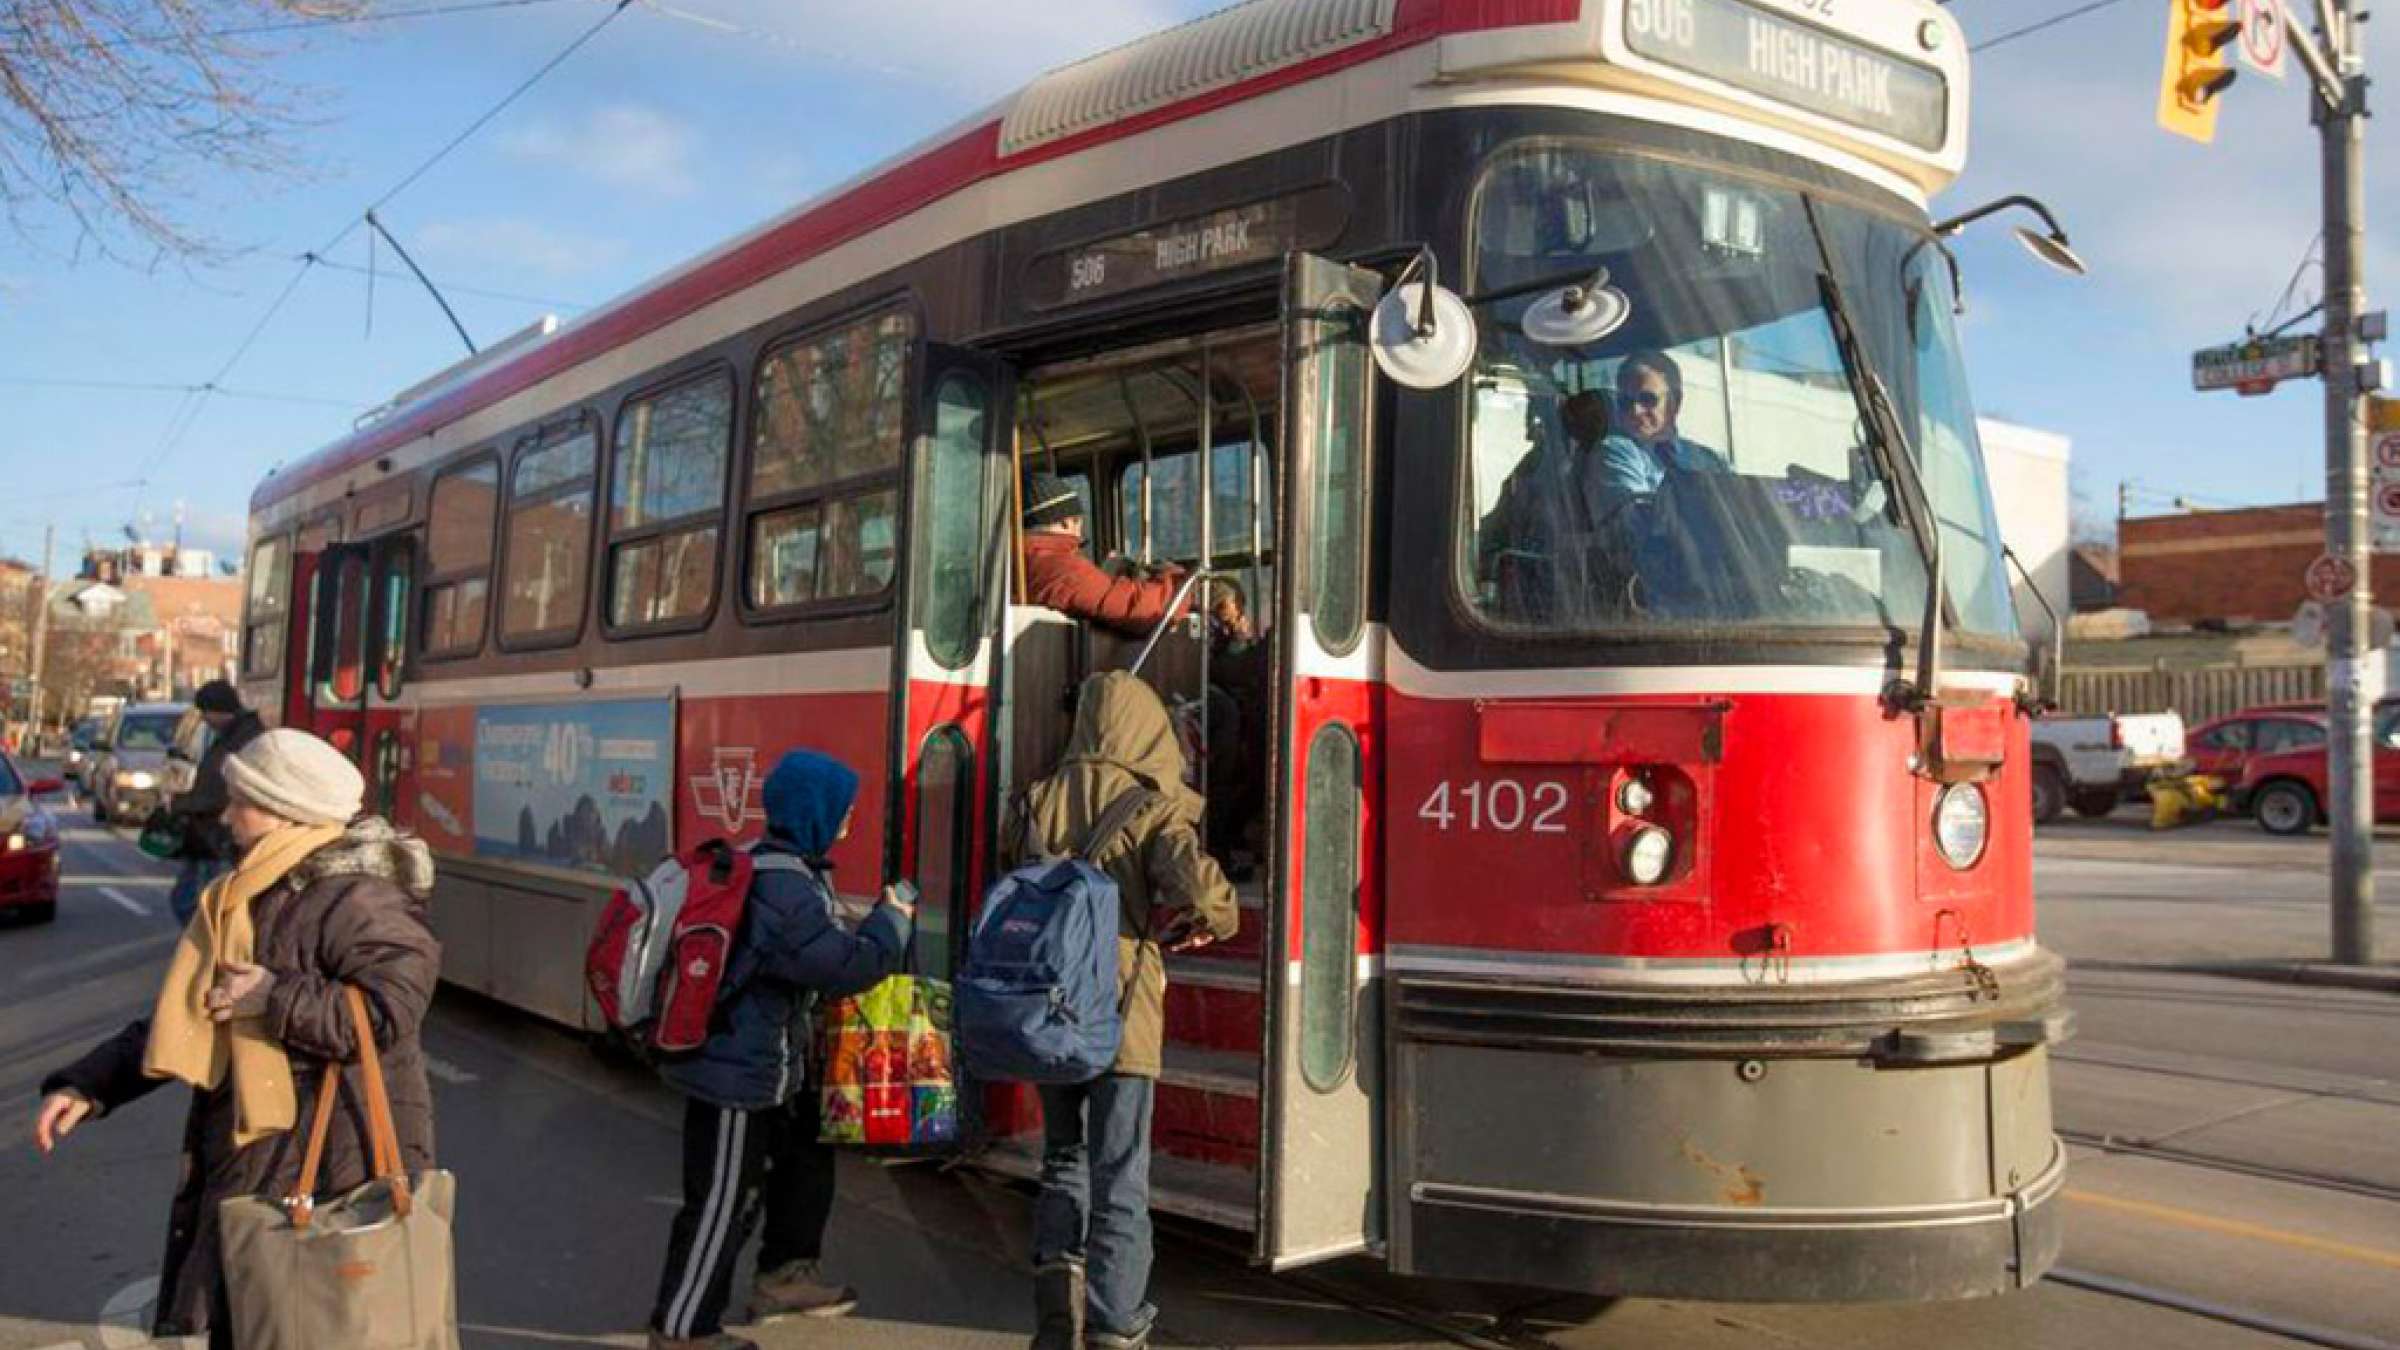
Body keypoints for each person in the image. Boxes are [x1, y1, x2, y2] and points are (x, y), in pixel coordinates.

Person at [33, 729, 441, 1348]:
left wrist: (271, 997)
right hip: (259, 1161)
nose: (225, 815)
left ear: (286, 810)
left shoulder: (361, 895)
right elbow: (191, 1017)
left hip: (333, 1165)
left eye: (239, 801)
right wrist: (92, 1085)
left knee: (310, 1326)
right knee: (261, 1323)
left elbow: (387, 1013)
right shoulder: (249, 893)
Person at [647, 749, 915, 1350]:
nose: (848, 821)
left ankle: (762, 1285)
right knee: (720, 1204)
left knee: (742, 1193)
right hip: (735, 1075)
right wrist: (891, 920)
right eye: (842, 811)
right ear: (816, 812)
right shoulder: (786, 887)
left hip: (751, 1066)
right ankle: (684, 1329)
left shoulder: (766, 863)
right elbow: (848, 966)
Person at [1011, 672, 1239, 1350]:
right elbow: (1201, 890)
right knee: (1120, 1174)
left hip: (1050, 1009)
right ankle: (1115, 1325)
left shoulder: (1038, 798)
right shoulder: (1153, 806)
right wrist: (1214, 919)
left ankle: (1057, 1307)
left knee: (1062, 1159)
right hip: (1120, 1013)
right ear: (1148, 730)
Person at [1022, 471, 1198, 638]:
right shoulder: (1061, 568)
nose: (1080, 531)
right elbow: (1144, 611)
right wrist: (1176, 580)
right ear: (1066, 522)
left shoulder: (1020, 559)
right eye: (1078, 522)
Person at [166, 680, 267, 926]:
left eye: (205, 712)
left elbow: (221, 790)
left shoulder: (241, 740)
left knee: (193, 902)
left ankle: (208, 950)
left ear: (217, 709)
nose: (204, 719)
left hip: (218, 837)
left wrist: (184, 805)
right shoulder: (231, 737)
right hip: (207, 834)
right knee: (191, 900)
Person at [1592, 349, 1730, 511]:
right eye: (1625, 402)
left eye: (1647, 399)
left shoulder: (1709, 460)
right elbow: (1639, 523)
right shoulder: (1615, 452)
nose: (1635, 410)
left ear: (1676, 401)